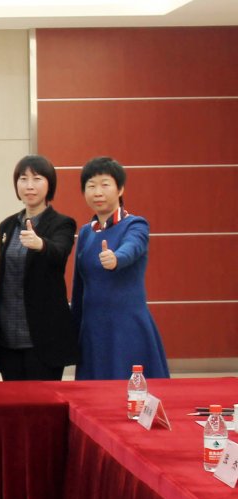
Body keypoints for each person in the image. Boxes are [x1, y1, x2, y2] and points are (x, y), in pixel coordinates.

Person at [71, 156, 169, 380]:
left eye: (105, 184)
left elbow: (132, 247)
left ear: (120, 189)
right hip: (93, 329)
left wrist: (116, 258)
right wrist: (73, 329)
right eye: (91, 186)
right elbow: (79, 287)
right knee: (93, 393)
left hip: (126, 327)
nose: (98, 192)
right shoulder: (86, 232)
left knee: (129, 389)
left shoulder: (135, 224)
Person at [0, 155, 78, 380]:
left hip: (44, 334)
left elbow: (60, 252)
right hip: (8, 332)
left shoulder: (62, 223)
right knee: (12, 398)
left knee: (43, 398)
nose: (29, 186)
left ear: (50, 184)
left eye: (37, 179)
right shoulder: (7, 225)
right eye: (23, 179)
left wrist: (41, 244)